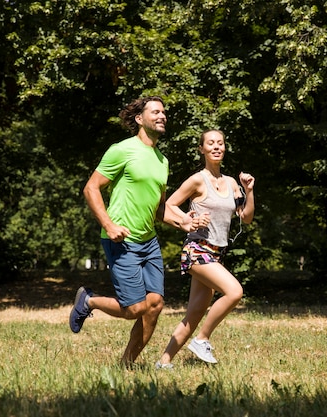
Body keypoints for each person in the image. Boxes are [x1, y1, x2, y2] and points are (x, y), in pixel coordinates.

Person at [69, 96, 200, 366]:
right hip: (122, 240)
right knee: (135, 309)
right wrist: (108, 224)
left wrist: (183, 221)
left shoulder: (162, 161)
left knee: (154, 306)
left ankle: (126, 364)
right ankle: (90, 301)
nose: (162, 115)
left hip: (148, 241)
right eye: (156, 111)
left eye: (164, 111)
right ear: (140, 119)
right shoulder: (122, 150)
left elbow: (159, 207)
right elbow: (91, 188)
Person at [156, 129, 255, 368]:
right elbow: (169, 205)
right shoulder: (197, 180)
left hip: (215, 254)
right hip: (197, 250)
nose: (216, 147)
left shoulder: (232, 182)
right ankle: (202, 339)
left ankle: (164, 362)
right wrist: (187, 221)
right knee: (234, 292)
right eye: (210, 143)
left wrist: (249, 191)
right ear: (202, 149)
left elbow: (247, 217)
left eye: (220, 143)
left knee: (195, 313)